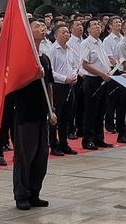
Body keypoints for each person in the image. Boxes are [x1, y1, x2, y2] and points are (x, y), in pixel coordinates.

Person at [13, 18, 57, 211]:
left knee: (41, 156)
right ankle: (21, 194)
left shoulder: (45, 58)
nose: (42, 29)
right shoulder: (21, 57)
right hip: (25, 113)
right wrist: (32, 76)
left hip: (42, 113)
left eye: (43, 26)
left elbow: (49, 85)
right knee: (25, 156)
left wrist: (51, 109)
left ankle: (34, 192)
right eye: (37, 26)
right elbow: (13, 85)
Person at [80, 18, 113, 150]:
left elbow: (104, 61)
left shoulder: (100, 42)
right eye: (94, 25)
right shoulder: (86, 43)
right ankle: (88, 139)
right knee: (91, 111)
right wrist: (101, 74)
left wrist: (108, 72)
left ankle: (99, 138)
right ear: (88, 29)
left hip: (103, 79)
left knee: (101, 110)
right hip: (92, 80)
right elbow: (85, 64)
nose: (98, 27)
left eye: (99, 25)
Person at [47, 24, 78, 156]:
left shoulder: (70, 49)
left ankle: (64, 143)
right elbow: (50, 71)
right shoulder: (52, 50)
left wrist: (74, 75)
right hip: (58, 86)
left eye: (67, 32)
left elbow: (74, 65)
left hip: (70, 86)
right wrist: (65, 78)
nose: (66, 34)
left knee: (67, 116)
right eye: (63, 32)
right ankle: (54, 145)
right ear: (55, 35)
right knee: (56, 117)